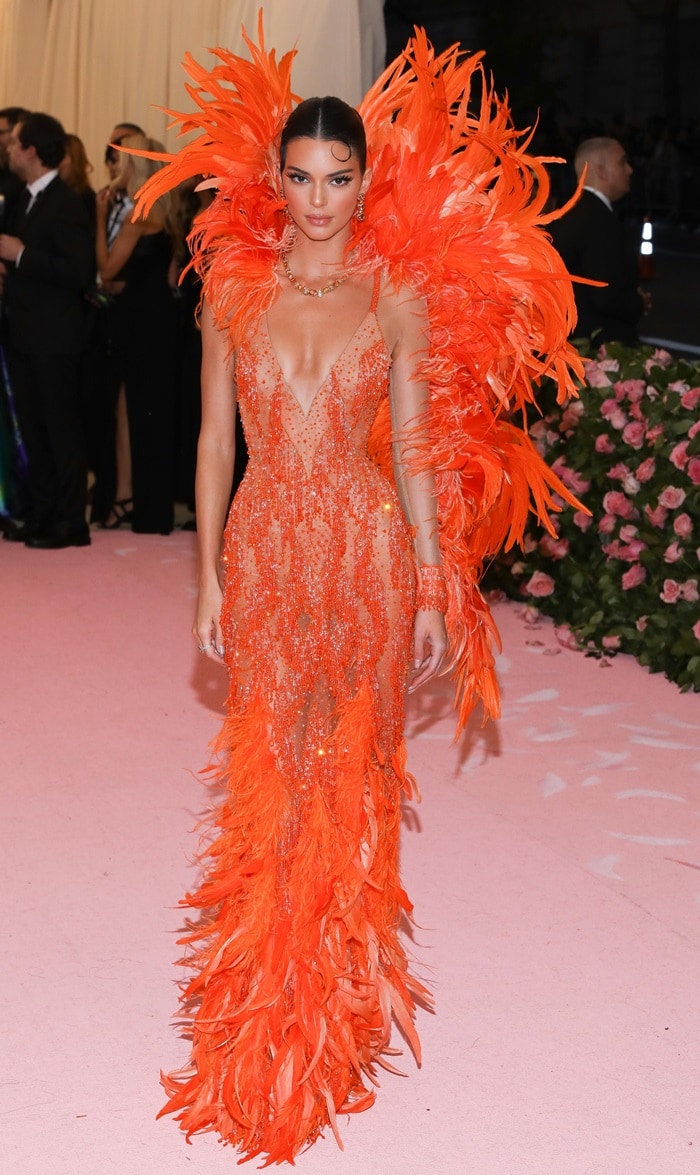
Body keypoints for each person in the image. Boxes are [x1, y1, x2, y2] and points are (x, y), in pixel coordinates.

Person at [135, 26, 583, 1164]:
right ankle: (257, 1022)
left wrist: (436, 582)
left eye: (340, 178)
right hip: (271, 545)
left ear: (363, 181)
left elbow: (421, 448)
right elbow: (207, 444)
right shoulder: (230, 290)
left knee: (354, 773)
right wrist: (205, 580)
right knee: (271, 774)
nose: (320, 196)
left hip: (373, 552)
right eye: (302, 175)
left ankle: (331, 1017)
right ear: (274, 178)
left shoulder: (397, 294)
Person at [0, 112, 93, 548]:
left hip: (56, 338)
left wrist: (21, 256)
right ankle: (42, 513)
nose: (8, 148)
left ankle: (71, 521)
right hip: (23, 333)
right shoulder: (22, 198)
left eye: (14, 142)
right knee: (34, 429)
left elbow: (79, 272)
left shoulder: (67, 201)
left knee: (61, 430)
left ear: (32, 150)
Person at [94, 134, 177, 533]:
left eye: (119, 161)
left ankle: (140, 504)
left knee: (135, 414)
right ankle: (139, 502)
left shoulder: (137, 216)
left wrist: (97, 218)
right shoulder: (165, 213)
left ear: (132, 170)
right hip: (158, 320)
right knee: (143, 413)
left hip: (137, 322)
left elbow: (107, 268)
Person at [549, 137, 649, 345]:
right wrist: (640, 303)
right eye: (622, 162)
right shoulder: (598, 219)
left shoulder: (569, 212)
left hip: (572, 341)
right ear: (601, 171)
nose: (630, 170)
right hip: (600, 346)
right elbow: (607, 297)